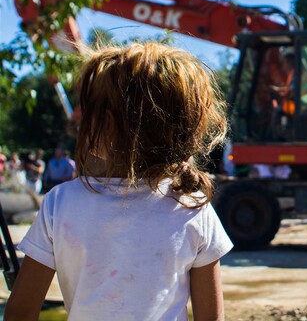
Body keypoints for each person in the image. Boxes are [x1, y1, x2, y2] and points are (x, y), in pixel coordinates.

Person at [5, 42, 233, 320]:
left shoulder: (60, 204)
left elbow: (20, 313)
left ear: (108, 123)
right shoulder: (192, 208)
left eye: (88, 112)